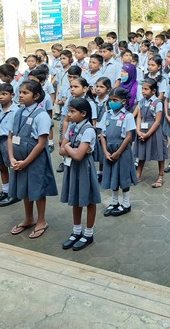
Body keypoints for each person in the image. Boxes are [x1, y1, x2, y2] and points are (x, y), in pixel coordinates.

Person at [8, 81, 58, 239]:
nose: (20, 95)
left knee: (37, 189)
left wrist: (26, 162)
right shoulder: (18, 112)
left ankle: (41, 221)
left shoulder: (41, 115)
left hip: (35, 160)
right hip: (18, 159)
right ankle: (28, 218)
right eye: (20, 92)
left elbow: (41, 143)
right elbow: (10, 136)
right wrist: (11, 158)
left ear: (36, 96)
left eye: (25, 93)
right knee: (24, 188)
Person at [60, 97, 101, 251]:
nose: (69, 115)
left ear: (83, 113)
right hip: (72, 168)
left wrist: (68, 148)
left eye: (72, 112)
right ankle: (76, 231)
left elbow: (77, 155)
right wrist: (72, 149)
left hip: (85, 168)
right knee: (75, 198)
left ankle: (88, 234)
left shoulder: (89, 130)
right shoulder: (72, 127)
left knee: (89, 200)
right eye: (69, 111)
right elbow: (60, 150)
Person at [100, 87, 137, 217]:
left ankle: (126, 204)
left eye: (115, 100)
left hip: (122, 151)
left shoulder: (128, 116)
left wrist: (118, 152)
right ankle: (114, 201)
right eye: (110, 100)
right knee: (112, 175)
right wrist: (105, 151)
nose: (112, 103)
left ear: (123, 101)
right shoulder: (107, 114)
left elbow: (129, 137)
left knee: (123, 176)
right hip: (109, 150)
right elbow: (102, 135)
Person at [135, 78, 167, 187]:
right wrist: (138, 130)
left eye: (146, 89)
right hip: (142, 130)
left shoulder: (158, 103)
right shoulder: (141, 101)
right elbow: (139, 116)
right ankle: (138, 174)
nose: (143, 91)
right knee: (141, 152)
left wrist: (148, 134)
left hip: (154, 131)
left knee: (159, 152)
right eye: (142, 89)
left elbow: (157, 121)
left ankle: (160, 176)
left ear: (153, 91)